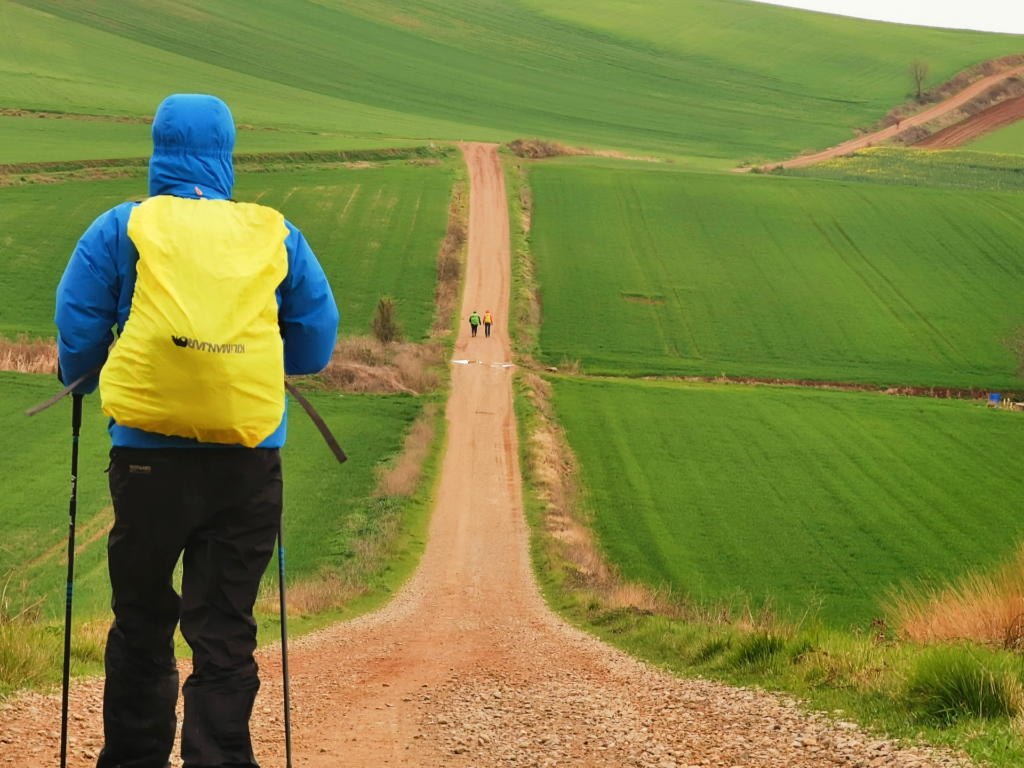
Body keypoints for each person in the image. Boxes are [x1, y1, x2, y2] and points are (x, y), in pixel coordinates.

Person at [55, 94, 339, 768]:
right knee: (224, 631)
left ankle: (132, 759)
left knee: (143, 621)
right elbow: (315, 343)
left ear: (157, 150)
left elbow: (78, 329)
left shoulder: (122, 227)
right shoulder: (275, 233)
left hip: (148, 462)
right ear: (226, 155)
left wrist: (85, 376)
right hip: (247, 461)